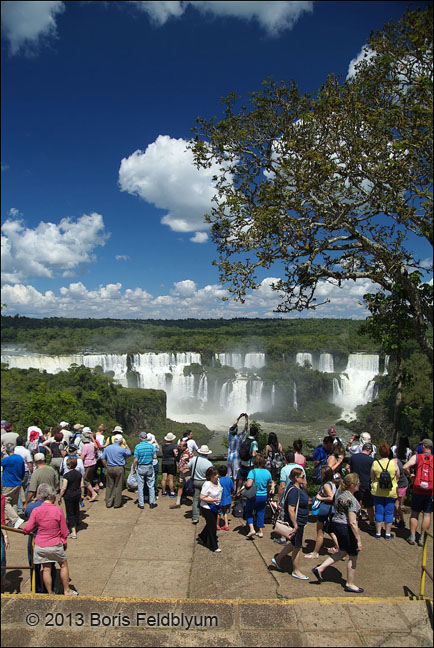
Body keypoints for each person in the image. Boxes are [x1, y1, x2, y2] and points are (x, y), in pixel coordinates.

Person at [311, 473, 364, 593]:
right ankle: (350, 584)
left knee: (342, 552)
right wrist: (358, 540)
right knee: (353, 556)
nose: (359, 484)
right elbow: (352, 522)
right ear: (352, 485)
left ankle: (320, 568)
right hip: (345, 527)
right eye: (357, 483)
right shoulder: (352, 500)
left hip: (336, 524)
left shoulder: (339, 493)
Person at [23, 483, 78, 596]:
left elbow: (28, 528)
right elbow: (64, 530)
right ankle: (66, 590)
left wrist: (25, 531)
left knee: (46, 569)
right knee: (63, 564)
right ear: (51, 495)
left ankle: (50, 593)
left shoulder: (36, 510)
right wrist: (64, 541)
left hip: (40, 545)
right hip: (54, 544)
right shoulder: (57, 510)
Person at [270, 467, 310, 580]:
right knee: (297, 547)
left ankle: (278, 559)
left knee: (293, 543)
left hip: (300, 520)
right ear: (296, 478)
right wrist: (295, 525)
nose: (304, 478)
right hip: (297, 522)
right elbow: (291, 509)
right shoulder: (294, 491)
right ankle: (296, 571)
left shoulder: (296, 487)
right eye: (303, 477)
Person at [305, 466, 339, 559]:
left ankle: (316, 552)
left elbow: (331, 497)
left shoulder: (326, 485)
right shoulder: (332, 483)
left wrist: (320, 498)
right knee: (330, 530)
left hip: (325, 510)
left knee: (320, 532)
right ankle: (340, 549)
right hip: (330, 510)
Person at [404, 438, 433, 546]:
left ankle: (412, 536)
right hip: (430, 491)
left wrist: (411, 475)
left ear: (424, 447)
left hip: (418, 489)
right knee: (427, 514)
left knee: (415, 513)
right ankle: (421, 538)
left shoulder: (417, 457)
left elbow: (405, 466)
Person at [371, 443, 399, 540]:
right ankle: (387, 533)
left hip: (378, 491)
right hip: (391, 491)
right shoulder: (393, 463)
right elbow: (398, 475)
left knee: (379, 511)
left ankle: (378, 533)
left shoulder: (375, 463)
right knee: (389, 512)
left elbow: (372, 477)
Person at [346, 442, 375, 528]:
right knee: (369, 505)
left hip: (354, 483)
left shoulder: (354, 457)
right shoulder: (371, 460)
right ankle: (371, 523)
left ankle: (353, 520)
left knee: (354, 502)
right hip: (366, 484)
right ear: (369, 450)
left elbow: (347, 467)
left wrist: (352, 475)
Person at [245, 454, 272, 539]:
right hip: (263, 495)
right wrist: (267, 494)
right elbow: (269, 485)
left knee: (249, 511)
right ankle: (260, 531)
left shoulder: (252, 472)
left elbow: (249, 484)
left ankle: (252, 529)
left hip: (254, 495)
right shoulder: (267, 472)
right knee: (261, 512)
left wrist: (245, 483)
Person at [101, 434, 131, 509]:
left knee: (109, 486)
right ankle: (117, 503)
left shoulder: (107, 448)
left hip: (110, 467)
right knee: (118, 485)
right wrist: (125, 445)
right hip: (119, 468)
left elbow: (102, 458)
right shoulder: (121, 449)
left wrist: (106, 466)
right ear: (121, 441)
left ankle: (108, 502)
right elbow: (129, 453)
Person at [197, 466, 223, 553]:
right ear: (210, 476)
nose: (217, 476)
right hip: (206, 507)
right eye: (215, 475)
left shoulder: (218, 482)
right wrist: (213, 500)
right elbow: (202, 497)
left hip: (215, 506)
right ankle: (214, 546)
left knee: (210, 524)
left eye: (217, 474)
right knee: (212, 526)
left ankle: (202, 536)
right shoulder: (207, 484)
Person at [58, 457, 85, 539]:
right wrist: (82, 495)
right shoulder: (79, 474)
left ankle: (73, 532)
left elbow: (64, 488)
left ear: (69, 466)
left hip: (69, 495)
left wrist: (60, 496)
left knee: (70, 513)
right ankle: (77, 522)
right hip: (77, 494)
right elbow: (82, 485)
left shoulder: (66, 475)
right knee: (76, 509)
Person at [1, 443, 25, 528]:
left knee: (4, 502)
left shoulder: (8, 459)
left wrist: (1, 453)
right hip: (17, 482)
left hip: (8, 483)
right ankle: (14, 523)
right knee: (13, 502)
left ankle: (15, 519)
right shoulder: (19, 458)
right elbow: (23, 471)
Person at [188, 445, 213, 524]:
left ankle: (195, 517)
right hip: (205, 482)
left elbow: (188, 467)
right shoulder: (209, 463)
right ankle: (205, 513)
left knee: (195, 499)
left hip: (195, 481)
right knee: (205, 498)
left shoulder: (194, 459)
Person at [133, 431, 157, 510]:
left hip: (141, 467)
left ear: (140, 438)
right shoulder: (151, 446)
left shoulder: (137, 447)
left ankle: (141, 504)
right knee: (151, 485)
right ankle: (152, 502)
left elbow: (135, 460)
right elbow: (155, 456)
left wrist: (134, 469)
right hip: (149, 466)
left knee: (140, 486)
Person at [227, 413, 248, 496]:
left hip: (229, 458)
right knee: (236, 476)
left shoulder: (229, 436)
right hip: (236, 458)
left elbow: (233, 425)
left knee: (229, 474)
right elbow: (246, 429)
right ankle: (235, 491)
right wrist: (246, 419)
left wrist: (239, 417)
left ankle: (229, 490)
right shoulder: (239, 437)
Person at [170, 438, 193, 509]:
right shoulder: (182, 453)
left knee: (191, 488)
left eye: (180, 446)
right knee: (180, 486)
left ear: (185, 447)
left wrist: (184, 468)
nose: (179, 447)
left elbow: (192, 464)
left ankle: (196, 503)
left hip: (187, 474)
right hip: (181, 473)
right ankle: (178, 502)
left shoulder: (190, 454)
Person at [14, 436, 33, 515]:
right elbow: (30, 464)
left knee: (17, 490)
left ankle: (19, 508)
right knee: (26, 488)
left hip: (15, 471)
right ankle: (25, 506)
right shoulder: (26, 451)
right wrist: (31, 472)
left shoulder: (14, 450)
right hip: (24, 471)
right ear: (23, 442)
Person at [79, 428, 99, 502]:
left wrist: (78, 457)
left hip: (87, 464)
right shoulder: (91, 445)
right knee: (89, 479)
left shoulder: (85, 446)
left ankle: (93, 493)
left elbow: (82, 457)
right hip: (93, 463)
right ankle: (88, 494)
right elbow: (96, 447)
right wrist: (93, 439)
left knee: (85, 480)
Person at [217, 464, 234, 530]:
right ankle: (226, 525)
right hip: (227, 499)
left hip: (220, 499)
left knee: (218, 513)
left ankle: (217, 524)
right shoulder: (229, 479)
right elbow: (232, 488)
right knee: (225, 513)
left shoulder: (218, 480)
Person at [161, 432, 178, 497]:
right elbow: (175, 453)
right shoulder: (173, 446)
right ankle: (172, 492)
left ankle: (164, 492)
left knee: (164, 478)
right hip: (171, 463)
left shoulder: (163, 445)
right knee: (171, 479)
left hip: (164, 462)